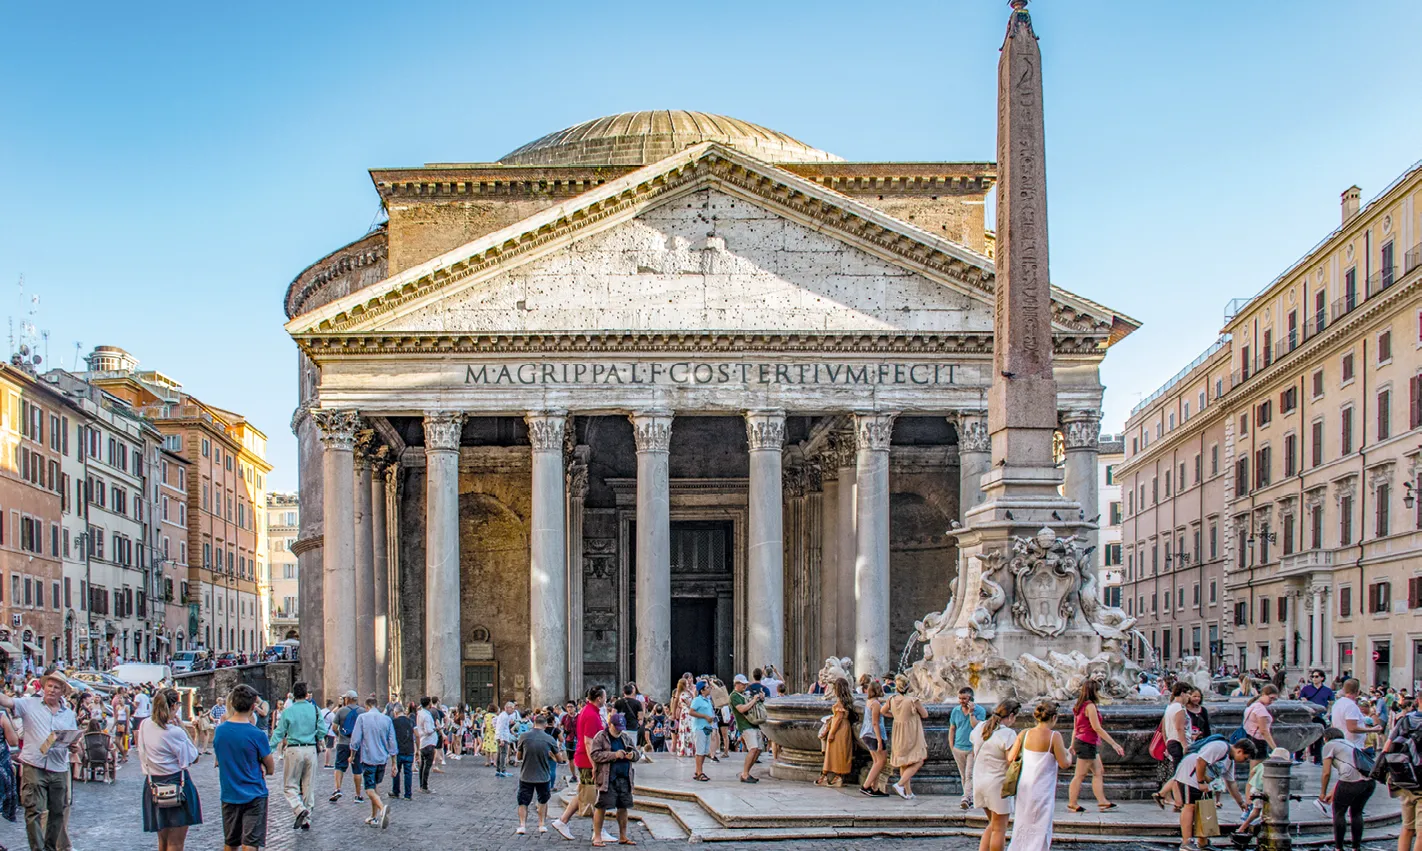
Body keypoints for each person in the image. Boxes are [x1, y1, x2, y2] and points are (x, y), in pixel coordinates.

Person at [0, 671, 79, 851]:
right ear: (43, 688)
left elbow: (73, 740)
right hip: (34, 764)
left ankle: (50, 848)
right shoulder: (29, 704)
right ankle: (37, 848)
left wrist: (74, 747)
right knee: (33, 810)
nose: (51, 690)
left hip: (59, 767)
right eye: (49, 686)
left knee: (57, 812)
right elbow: (6, 701)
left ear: (62, 692)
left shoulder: (68, 714)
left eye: (56, 687)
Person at [136, 688, 202, 851]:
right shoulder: (173, 732)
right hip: (175, 783)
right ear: (173, 707)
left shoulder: (144, 725)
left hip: (153, 784)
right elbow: (193, 756)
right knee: (176, 843)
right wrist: (183, 729)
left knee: (163, 842)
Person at [551, 685, 617, 844]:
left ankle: (566, 822)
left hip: (586, 758)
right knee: (594, 795)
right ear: (599, 698)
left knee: (586, 792)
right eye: (605, 696)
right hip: (588, 760)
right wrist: (595, 764)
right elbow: (589, 742)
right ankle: (595, 831)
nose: (606, 699)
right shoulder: (591, 715)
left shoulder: (589, 711)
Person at [213, 685, 275, 851]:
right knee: (250, 844)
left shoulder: (220, 732)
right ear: (253, 707)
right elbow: (271, 767)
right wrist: (261, 764)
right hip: (254, 794)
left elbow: (219, 758)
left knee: (231, 843)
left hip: (229, 793)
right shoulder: (257, 734)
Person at [1004, 701, 1073, 851]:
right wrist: (1069, 754)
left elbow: (1010, 757)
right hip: (1043, 787)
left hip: (1025, 785)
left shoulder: (1024, 733)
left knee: (1023, 821)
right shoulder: (1055, 736)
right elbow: (1064, 763)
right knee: (1041, 825)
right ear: (1054, 717)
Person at [1175, 737, 1251, 851]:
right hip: (1190, 774)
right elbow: (1201, 760)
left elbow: (1231, 783)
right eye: (1245, 758)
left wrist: (1241, 803)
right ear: (1240, 750)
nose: (1244, 761)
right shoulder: (1220, 747)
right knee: (1190, 806)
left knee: (1206, 808)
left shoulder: (1230, 761)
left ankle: (1203, 842)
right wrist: (1200, 782)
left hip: (1205, 780)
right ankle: (1186, 842)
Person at [268, 681, 326, 831]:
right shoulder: (315, 710)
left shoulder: (288, 711)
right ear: (307, 694)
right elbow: (322, 731)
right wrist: (317, 737)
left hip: (294, 749)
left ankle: (299, 808)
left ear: (293, 695)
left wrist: (269, 749)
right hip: (311, 749)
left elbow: (279, 733)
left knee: (290, 786)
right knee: (308, 785)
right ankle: (307, 818)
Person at [1066, 678, 1125, 812]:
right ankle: (1072, 803)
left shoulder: (1079, 705)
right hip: (1086, 742)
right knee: (1079, 775)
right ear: (1094, 692)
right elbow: (1097, 728)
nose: (1100, 694)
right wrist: (1114, 744)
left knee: (1099, 771)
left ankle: (1102, 801)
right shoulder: (1090, 706)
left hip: (1084, 742)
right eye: (1099, 691)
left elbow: (1075, 728)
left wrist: (1072, 744)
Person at [971, 699, 1020, 851]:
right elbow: (1010, 760)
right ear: (1011, 716)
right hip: (997, 784)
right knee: (999, 829)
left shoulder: (981, 727)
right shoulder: (1008, 733)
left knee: (993, 825)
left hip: (979, 782)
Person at [1319, 727, 1375, 851]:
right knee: (1356, 812)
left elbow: (1326, 773)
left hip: (1351, 782)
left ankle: (1339, 848)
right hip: (1369, 782)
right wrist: (1333, 791)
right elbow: (1349, 770)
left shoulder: (1329, 745)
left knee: (1339, 812)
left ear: (1325, 738)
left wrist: (1322, 792)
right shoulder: (1350, 744)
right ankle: (1356, 847)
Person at [589, 712, 638, 847]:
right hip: (608, 778)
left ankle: (623, 836)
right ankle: (597, 836)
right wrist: (614, 755)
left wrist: (632, 755)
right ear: (610, 725)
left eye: (621, 728)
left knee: (624, 807)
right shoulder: (601, 737)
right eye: (616, 727)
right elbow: (595, 754)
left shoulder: (625, 737)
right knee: (601, 806)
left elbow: (637, 755)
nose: (619, 730)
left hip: (624, 778)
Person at [349, 697, 396, 829]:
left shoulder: (363, 718)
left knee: (369, 790)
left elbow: (356, 739)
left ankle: (382, 809)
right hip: (382, 758)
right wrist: (394, 762)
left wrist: (352, 755)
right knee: (375, 787)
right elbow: (392, 741)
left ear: (367, 706)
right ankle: (373, 817)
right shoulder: (386, 719)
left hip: (369, 758)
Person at [515, 712, 565, 835]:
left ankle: (522, 825)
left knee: (523, 801)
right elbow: (560, 759)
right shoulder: (549, 739)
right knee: (543, 800)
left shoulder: (524, 736)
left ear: (534, 724)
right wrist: (551, 755)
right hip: (543, 775)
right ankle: (541, 824)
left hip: (526, 774)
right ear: (545, 725)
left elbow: (519, 756)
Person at [883, 673, 928, 799]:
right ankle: (900, 784)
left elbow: (883, 711)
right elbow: (925, 715)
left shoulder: (891, 699)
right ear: (908, 687)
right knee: (918, 761)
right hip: (911, 733)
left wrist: (896, 716)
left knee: (905, 762)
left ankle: (908, 792)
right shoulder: (913, 700)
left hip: (898, 732)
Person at [1153, 682, 1195, 810]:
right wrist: (1185, 745)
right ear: (1182, 693)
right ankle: (1162, 794)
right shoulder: (1179, 708)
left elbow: (1165, 729)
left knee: (1179, 773)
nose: (1189, 697)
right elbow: (1179, 728)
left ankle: (1177, 802)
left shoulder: (1170, 707)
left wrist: (1167, 743)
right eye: (1188, 693)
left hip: (1171, 742)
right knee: (1180, 774)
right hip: (1178, 742)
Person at [948, 686, 987, 810]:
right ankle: (970, 798)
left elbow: (976, 726)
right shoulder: (955, 711)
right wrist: (951, 745)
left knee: (969, 774)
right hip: (958, 747)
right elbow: (952, 728)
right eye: (960, 698)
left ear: (971, 699)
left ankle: (965, 798)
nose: (961, 701)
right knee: (963, 775)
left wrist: (971, 713)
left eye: (964, 698)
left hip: (972, 747)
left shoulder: (980, 711)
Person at [817, 677, 854, 787]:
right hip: (845, 727)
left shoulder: (839, 702)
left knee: (833, 753)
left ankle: (828, 776)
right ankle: (838, 776)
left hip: (839, 729)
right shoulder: (848, 700)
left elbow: (838, 719)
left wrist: (831, 733)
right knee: (841, 753)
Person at [857, 679, 889, 797]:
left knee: (877, 761)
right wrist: (880, 740)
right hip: (873, 735)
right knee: (880, 761)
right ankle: (866, 786)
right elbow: (875, 723)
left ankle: (874, 788)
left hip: (867, 733)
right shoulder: (875, 704)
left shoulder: (869, 701)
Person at [729, 674, 765, 784]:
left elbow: (754, 706)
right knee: (753, 748)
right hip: (745, 725)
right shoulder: (734, 696)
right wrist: (754, 700)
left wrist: (761, 699)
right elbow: (742, 709)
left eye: (745, 684)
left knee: (758, 749)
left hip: (754, 724)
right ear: (737, 684)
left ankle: (747, 772)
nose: (745, 686)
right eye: (743, 684)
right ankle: (744, 773)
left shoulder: (745, 694)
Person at [1332, 679, 1380, 751]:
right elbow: (1352, 728)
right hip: (1352, 746)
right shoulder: (1351, 706)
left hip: (1341, 743)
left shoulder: (1337, 703)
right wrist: (1372, 729)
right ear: (1357, 691)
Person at [329, 690, 361, 802]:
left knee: (339, 767)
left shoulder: (341, 711)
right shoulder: (362, 711)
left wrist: (340, 735)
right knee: (357, 769)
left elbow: (334, 727)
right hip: (357, 744)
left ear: (347, 699)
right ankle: (358, 795)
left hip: (343, 743)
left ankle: (338, 789)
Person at [1243, 684, 1280, 766]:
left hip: (1251, 738)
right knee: (1258, 770)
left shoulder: (1253, 705)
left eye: (1274, 699)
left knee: (1254, 770)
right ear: (1263, 694)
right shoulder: (1260, 709)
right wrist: (1275, 748)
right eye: (1271, 698)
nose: (1272, 701)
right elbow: (1264, 731)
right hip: (1258, 741)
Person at [689, 680, 717, 782]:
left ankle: (699, 770)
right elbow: (691, 712)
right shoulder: (697, 700)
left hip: (707, 727)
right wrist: (704, 716)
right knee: (700, 751)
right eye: (707, 687)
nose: (709, 689)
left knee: (705, 751)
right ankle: (699, 772)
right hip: (700, 728)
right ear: (702, 690)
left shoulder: (708, 700)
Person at [390, 703, 416, 801]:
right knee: (408, 773)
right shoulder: (411, 721)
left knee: (396, 771)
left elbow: (391, 737)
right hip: (409, 749)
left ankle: (396, 791)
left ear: (395, 712)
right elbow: (416, 735)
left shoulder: (393, 722)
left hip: (398, 750)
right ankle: (408, 794)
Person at [614, 684, 645, 756]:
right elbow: (640, 717)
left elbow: (613, 715)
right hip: (632, 727)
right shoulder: (637, 703)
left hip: (621, 727)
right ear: (632, 691)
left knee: (621, 745)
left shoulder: (618, 702)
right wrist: (639, 722)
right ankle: (631, 762)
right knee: (632, 745)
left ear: (623, 692)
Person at [415, 696, 438, 793]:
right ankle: (424, 786)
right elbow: (428, 730)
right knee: (427, 766)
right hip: (428, 742)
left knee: (422, 766)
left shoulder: (420, 713)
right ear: (429, 704)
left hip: (423, 742)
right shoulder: (427, 716)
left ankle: (421, 785)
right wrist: (436, 729)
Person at [494, 701, 518, 778]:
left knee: (499, 753)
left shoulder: (504, 715)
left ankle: (498, 770)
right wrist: (501, 739)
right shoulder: (504, 716)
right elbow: (500, 728)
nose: (513, 710)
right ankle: (502, 770)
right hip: (503, 737)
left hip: (501, 736)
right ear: (507, 708)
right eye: (512, 708)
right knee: (503, 754)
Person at [320, 700, 337, 769]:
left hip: (322, 731)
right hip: (329, 732)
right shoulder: (331, 714)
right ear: (331, 705)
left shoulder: (321, 711)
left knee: (322, 746)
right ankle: (327, 763)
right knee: (329, 747)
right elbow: (334, 723)